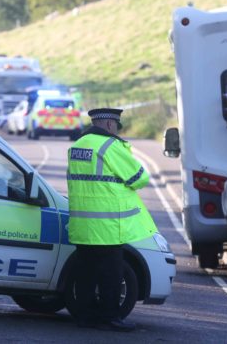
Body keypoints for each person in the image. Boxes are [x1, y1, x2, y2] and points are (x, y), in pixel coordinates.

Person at [66, 108, 158, 332]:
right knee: (111, 276)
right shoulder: (109, 146)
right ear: (109, 124)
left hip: (82, 225)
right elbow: (139, 177)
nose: (117, 130)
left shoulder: (76, 146)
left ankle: (85, 317)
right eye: (117, 126)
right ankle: (110, 317)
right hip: (107, 226)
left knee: (85, 274)